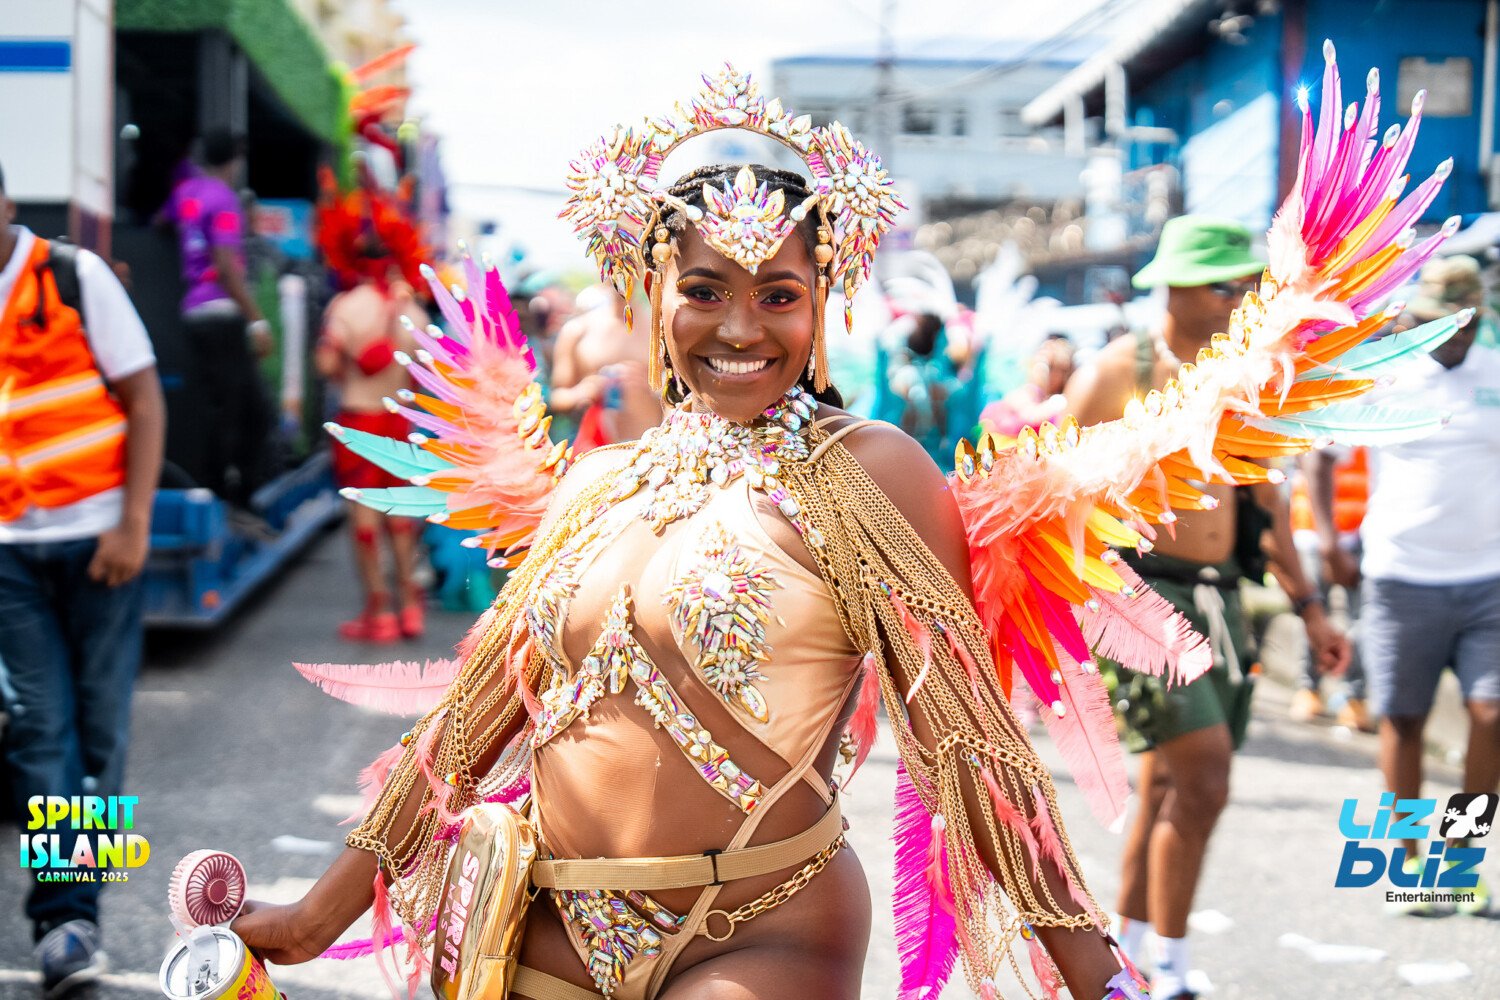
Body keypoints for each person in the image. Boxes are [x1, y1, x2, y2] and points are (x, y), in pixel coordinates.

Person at [223, 60, 1437, 1000]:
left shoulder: (866, 476)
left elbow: (966, 744)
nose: (738, 327)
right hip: (544, 921)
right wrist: (319, 913)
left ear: (825, 302)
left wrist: (1094, 972)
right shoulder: (599, 482)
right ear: (653, 294)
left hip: (758, 928)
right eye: (704, 290)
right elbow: (474, 714)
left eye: (778, 295)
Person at [1065, 215, 1350, 998]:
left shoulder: (1242, 378)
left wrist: (1312, 610)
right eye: (1225, 285)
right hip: (1140, 602)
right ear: (1175, 287)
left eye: (1248, 286)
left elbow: (1268, 504)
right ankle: (1173, 971)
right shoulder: (1114, 375)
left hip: (1223, 600)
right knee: (1207, 780)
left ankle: (1128, 959)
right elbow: (1051, 504)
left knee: (1168, 787)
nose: (1239, 300)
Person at [0, 161, 165, 995]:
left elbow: (145, 400)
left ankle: (81, 911)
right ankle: (63, 923)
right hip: (9, 552)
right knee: (40, 731)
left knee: (99, 737)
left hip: (97, 542)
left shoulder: (73, 275)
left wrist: (133, 524)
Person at [1349, 254, 1500, 915]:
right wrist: (1332, 543)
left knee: (1491, 714)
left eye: (1468, 322)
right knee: (1403, 720)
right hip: (1401, 575)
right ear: (1418, 319)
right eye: (1444, 322)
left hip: (1488, 577)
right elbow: (1325, 460)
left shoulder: (1496, 373)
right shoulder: (1386, 376)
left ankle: (1461, 860)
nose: (1457, 335)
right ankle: (1409, 862)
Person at [163, 129, 275, 507]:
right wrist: (257, 320)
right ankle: (234, 499)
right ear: (235, 160)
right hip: (221, 314)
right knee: (252, 413)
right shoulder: (224, 199)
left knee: (220, 408)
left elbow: (163, 223)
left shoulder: (185, 193)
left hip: (193, 311)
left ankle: (219, 492)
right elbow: (227, 268)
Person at [319, 275, 430, 641]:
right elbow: (426, 371)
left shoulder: (346, 307)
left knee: (364, 514)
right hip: (397, 420)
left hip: (359, 419)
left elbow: (325, 364)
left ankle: (380, 611)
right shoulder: (413, 311)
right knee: (399, 512)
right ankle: (409, 606)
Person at [548, 287, 660, 450]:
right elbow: (556, 397)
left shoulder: (661, 327)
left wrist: (656, 387)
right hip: (595, 448)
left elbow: (687, 393)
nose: (622, 276)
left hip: (654, 446)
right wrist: (582, 392)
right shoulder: (578, 330)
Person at [980, 333, 1075, 438]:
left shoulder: (1063, 402)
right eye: (1043, 364)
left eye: (1052, 366)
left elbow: (1032, 416)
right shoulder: (1024, 394)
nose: (1044, 370)